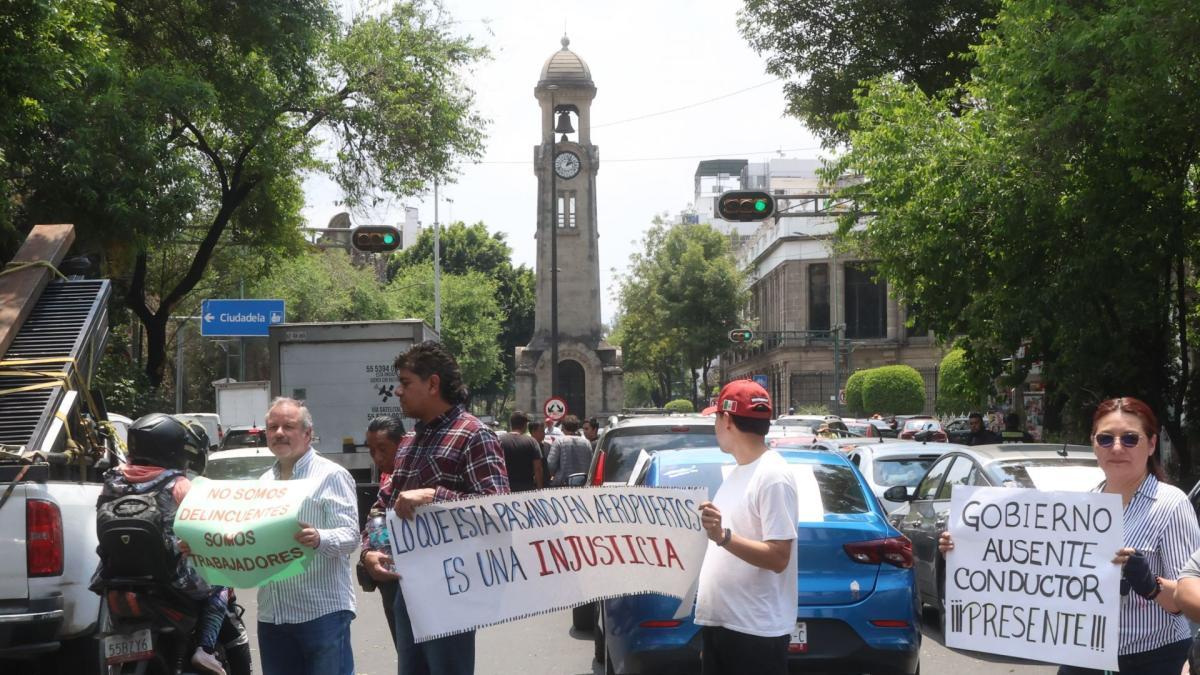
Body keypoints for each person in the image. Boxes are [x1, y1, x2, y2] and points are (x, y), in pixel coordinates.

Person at [942, 396, 1200, 675]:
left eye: (1129, 439)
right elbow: (1033, 572)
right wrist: (968, 549)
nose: (1116, 448)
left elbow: (1188, 602)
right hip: (1084, 656)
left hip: (1153, 660)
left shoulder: (1171, 505)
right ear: (1094, 443)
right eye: (1105, 439)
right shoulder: (1081, 506)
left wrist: (1151, 585)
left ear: (1151, 444)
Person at [362, 340, 509, 675]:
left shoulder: (474, 435)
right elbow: (383, 505)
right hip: (407, 590)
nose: (397, 391)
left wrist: (434, 496)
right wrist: (370, 550)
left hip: (452, 593)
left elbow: (498, 511)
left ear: (433, 384)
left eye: (406, 382)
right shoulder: (410, 442)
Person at [93, 413, 251, 675]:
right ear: (172, 448)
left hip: (115, 577)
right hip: (174, 578)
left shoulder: (112, 479)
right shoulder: (178, 484)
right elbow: (206, 529)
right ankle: (205, 649)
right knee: (220, 582)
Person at [694, 380, 799, 675]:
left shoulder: (772, 475)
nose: (715, 425)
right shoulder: (742, 471)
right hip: (726, 627)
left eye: (716, 417)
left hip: (754, 635)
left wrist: (723, 536)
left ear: (726, 420)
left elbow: (779, 557)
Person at [256, 398, 360, 675]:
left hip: (321, 613)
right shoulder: (263, 483)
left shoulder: (331, 476)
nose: (279, 433)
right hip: (273, 615)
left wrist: (319, 537)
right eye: (272, 427)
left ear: (307, 434)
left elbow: (351, 536)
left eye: (288, 426)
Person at [360, 415, 406, 644]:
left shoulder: (419, 473)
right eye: (371, 451)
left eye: (383, 449)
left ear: (403, 444)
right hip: (392, 582)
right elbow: (375, 516)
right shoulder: (388, 482)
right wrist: (368, 553)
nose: (377, 458)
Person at [499, 410, 544, 491]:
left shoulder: (499, 440)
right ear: (525, 425)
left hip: (505, 489)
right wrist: (539, 489)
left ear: (511, 424)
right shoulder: (532, 442)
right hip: (526, 489)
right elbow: (538, 468)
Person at [545, 414, 593, 486]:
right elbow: (591, 465)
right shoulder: (586, 443)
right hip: (583, 484)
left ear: (564, 427)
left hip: (563, 485)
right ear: (577, 427)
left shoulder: (559, 442)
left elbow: (551, 466)